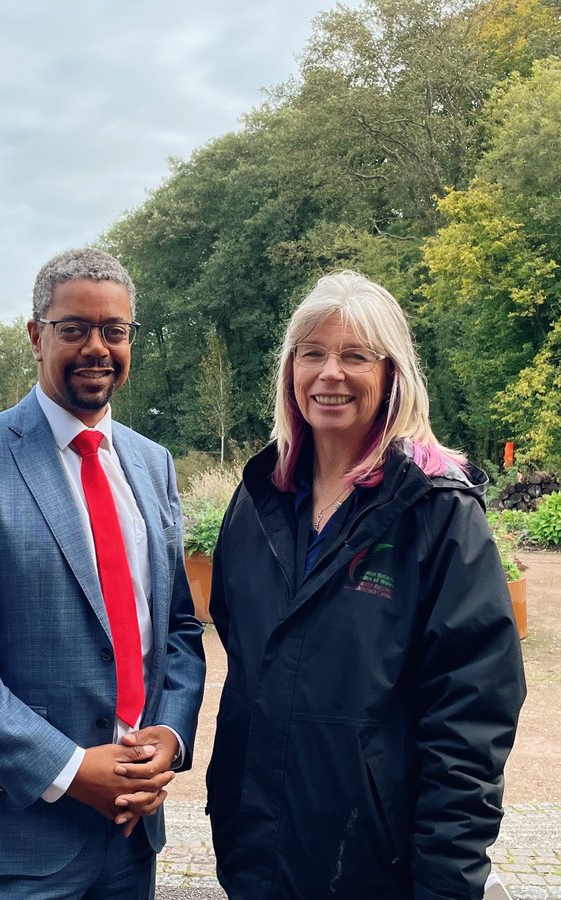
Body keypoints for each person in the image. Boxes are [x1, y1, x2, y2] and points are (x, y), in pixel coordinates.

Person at [0, 247, 206, 899]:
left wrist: (170, 738)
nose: (97, 347)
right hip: (19, 836)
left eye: (114, 330)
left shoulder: (153, 465)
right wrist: (69, 768)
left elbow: (179, 628)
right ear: (37, 337)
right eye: (75, 328)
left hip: (131, 834)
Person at [205, 270, 526, 899]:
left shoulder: (435, 511)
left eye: (355, 356)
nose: (330, 373)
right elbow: (245, 663)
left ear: (392, 374)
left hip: (375, 861)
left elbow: (471, 718)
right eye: (312, 353)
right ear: (290, 370)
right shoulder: (258, 500)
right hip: (256, 850)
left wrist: (447, 882)